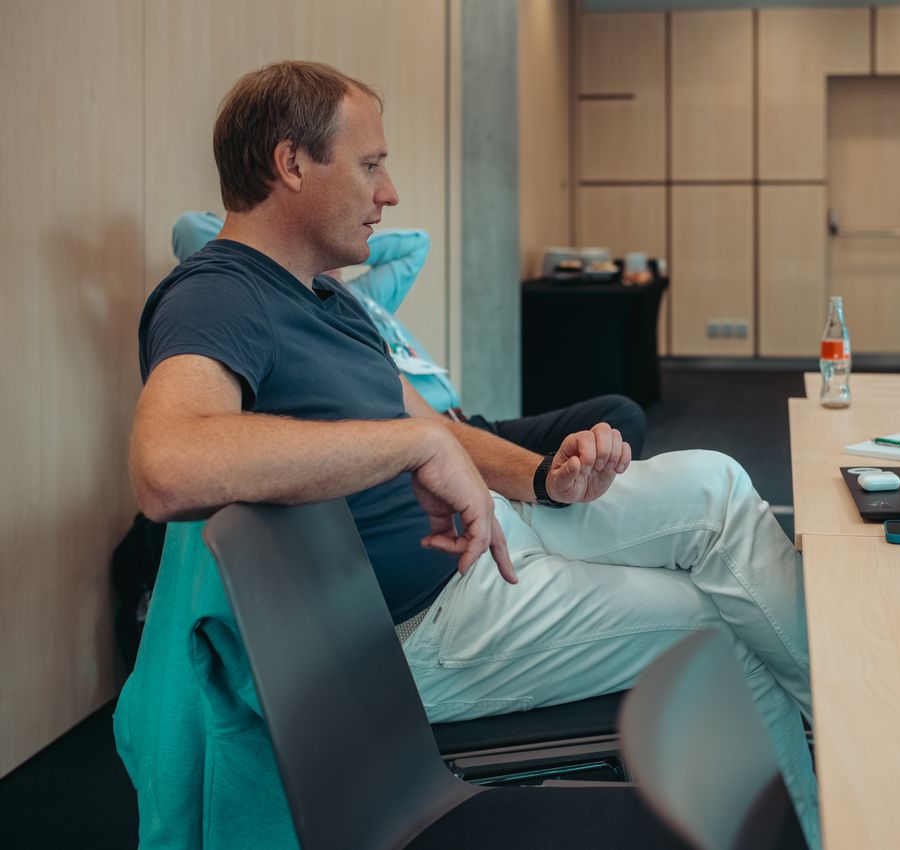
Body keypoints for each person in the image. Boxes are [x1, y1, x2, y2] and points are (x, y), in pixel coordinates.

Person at [125, 61, 819, 845]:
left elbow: (437, 427)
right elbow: (168, 464)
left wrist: (542, 478)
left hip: (492, 536)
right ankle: (844, 808)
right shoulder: (218, 293)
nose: (388, 193)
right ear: (291, 164)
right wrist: (410, 442)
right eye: (372, 165)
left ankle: (848, 713)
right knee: (724, 627)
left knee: (717, 484)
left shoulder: (326, 296)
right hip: (424, 628)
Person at [172, 210, 647, 457]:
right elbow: (191, 229)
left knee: (619, 414)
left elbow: (416, 244)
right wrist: (297, 241)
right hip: (418, 436)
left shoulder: (365, 296)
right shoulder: (281, 304)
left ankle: (542, 507)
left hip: (466, 423)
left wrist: (347, 242)